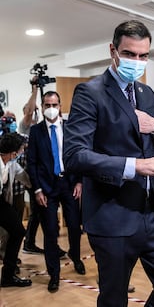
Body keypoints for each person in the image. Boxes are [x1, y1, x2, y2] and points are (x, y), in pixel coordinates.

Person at [63, 20, 154, 307]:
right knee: (114, 300)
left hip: (153, 214)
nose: (138, 62)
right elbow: (74, 156)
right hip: (112, 217)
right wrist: (135, 165)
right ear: (113, 51)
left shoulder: (146, 94)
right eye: (130, 54)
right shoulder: (90, 93)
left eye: (144, 56)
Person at [26, 91, 85, 293]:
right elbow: (31, 163)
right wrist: (37, 189)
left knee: (75, 228)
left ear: (60, 106)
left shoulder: (70, 128)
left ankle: (76, 257)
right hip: (47, 189)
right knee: (50, 232)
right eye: (47, 104)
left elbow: (77, 156)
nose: (51, 108)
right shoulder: (35, 132)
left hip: (68, 184)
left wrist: (79, 182)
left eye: (55, 104)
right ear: (42, 107)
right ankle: (54, 275)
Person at [0, 132, 32, 287]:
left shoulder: (11, 163)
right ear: (14, 153)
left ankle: (8, 276)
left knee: (18, 231)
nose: (22, 152)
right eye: (21, 150)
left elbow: (23, 176)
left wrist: (39, 188)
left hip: (0, 203)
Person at [19, 76, 44, 255]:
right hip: (28, 174)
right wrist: (34, 90)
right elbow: (28, 111)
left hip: (40, 173)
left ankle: (30, 242)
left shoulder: (39, 128)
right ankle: (28, 243)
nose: (33, 111)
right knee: (36, 210)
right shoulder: (24, 126)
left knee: (38, 211)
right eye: (31, 110)